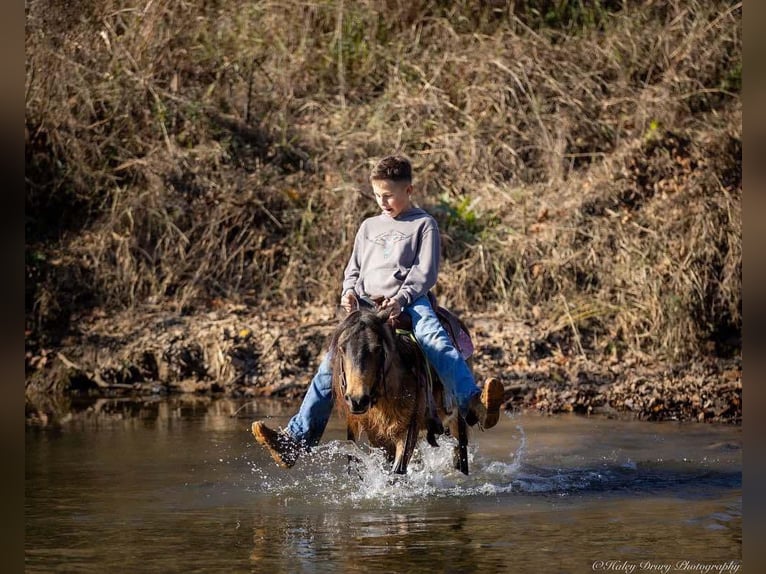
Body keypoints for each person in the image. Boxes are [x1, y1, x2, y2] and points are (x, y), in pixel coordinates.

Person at [252, 154, 504, 467]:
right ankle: (296, 440)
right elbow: (354, 267)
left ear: (408, 191)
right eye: (376, 195)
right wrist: (348, 291)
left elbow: (426, 273)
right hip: (368, 306)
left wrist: (402, 298)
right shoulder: (368, 226)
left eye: (388, 195)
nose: (381, 201)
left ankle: (473, 403)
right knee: (330, 365)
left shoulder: (423, 224)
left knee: (435, 341)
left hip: (411, 301)